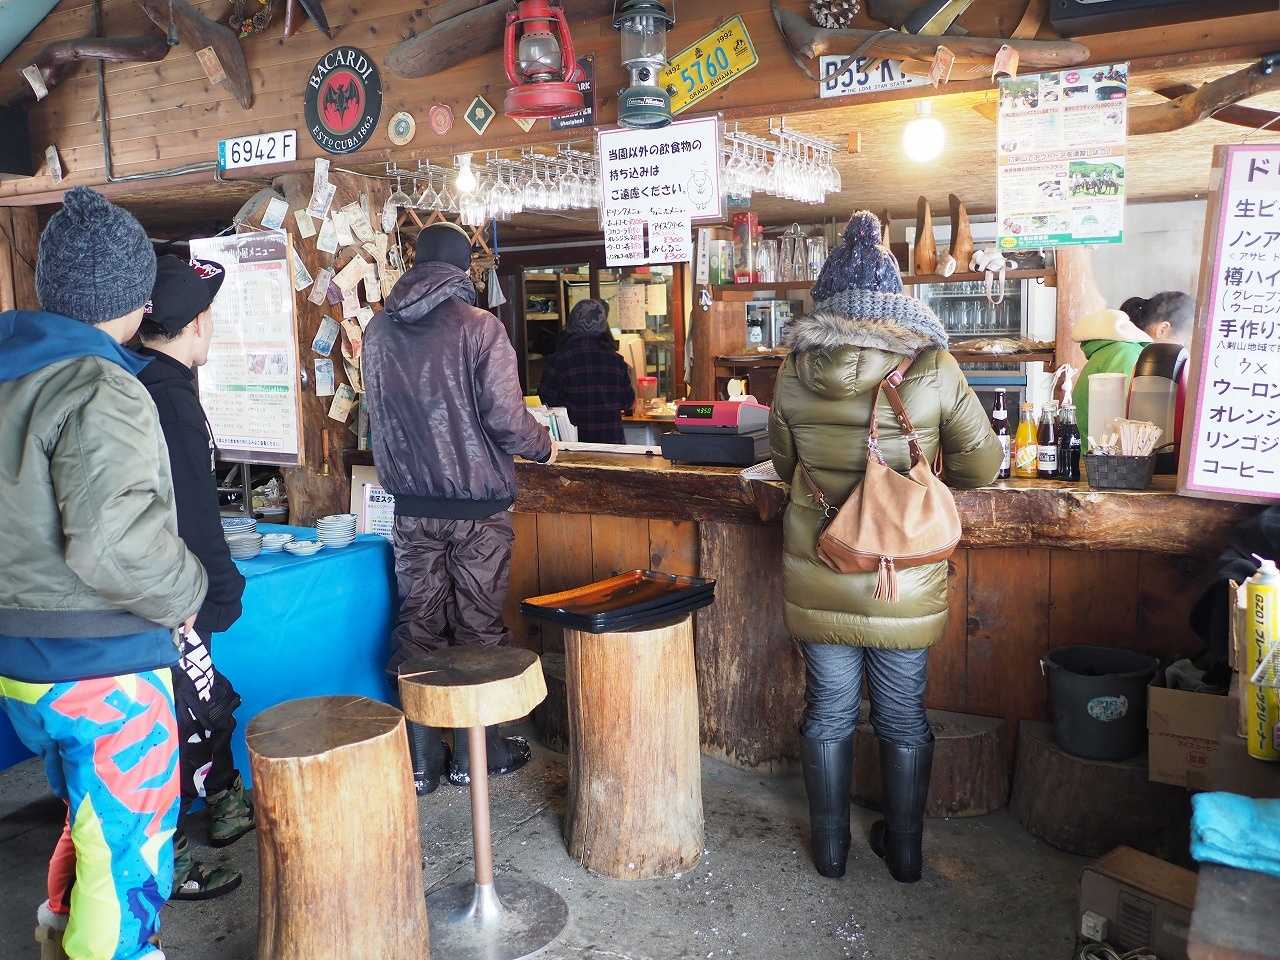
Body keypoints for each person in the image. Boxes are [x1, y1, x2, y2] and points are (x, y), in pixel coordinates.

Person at [0, 187, 207, 960]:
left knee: (89, 820)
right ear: (134, 298)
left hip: (21, 663)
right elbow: (114, 547)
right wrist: (187, 591)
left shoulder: (13, 374)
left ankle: (60, 932)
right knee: (128, 852)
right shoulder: (100, 384)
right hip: (100, 663)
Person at [769, 211, 1001, 884]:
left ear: (827, 301)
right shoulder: (932, 365)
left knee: (828, 712)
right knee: (901, 715)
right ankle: (904, 854)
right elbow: (982, 467)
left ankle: (830, 852)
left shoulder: (792, 369)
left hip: (821, 563)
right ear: (893, 299)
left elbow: (784, 466)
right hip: (902, 575)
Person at [363, 222, 556, 794]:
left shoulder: (378, 329)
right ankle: (478, 754)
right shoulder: (480, 327)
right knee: (477, 625)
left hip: (410, 506)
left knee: (417, 623)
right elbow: (505, 419)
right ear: (462, 268)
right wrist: (544, 445)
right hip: (476, 507)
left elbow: (379, 415)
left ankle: (422, 763)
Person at [136, 255, 254, 902]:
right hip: (175, 591)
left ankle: (224, 804)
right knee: (186, 712)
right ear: (198, 323)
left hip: (156, 586)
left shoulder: (142, 381)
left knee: (201, 703)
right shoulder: (171, 399)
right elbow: (193, 511)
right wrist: (221, 584)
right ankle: (170, 853)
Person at [538, 298, 636, 443]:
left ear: (571, 324)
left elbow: (544, 404)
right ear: (603, 326)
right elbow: (628, 402)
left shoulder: (558, 361)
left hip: (573, 444)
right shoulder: (616, 361)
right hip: (612, 444)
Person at [1070, 305, 1152, 435]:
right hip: (1102, 445)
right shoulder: (1126, 353)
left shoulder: (1104, 353)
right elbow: (1119, 418)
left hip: (1087, 444)